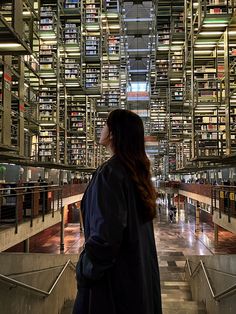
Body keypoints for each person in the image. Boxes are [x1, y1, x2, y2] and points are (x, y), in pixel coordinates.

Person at [73, 109, 162, 314]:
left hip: (113, 286)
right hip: (137, 280)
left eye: (105, 123)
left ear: (113, 132)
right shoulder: (136, 173)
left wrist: (84, 270)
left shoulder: (110, 173)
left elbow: (106, 236)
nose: (101, 127)